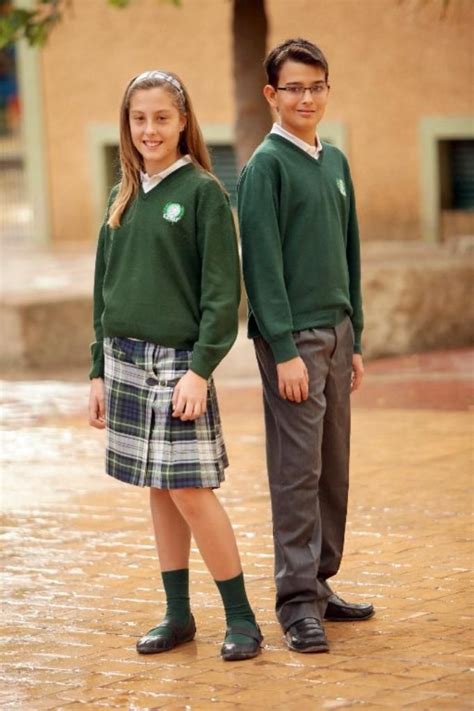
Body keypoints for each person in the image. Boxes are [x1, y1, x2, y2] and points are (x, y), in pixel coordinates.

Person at [88, 70, 262, 662]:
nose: (150, 129)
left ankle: (242, 619)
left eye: (162, 117)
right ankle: (177, 614)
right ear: (127, 124)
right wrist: (97, 372)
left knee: (190, 489)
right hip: (124, 361)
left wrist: (201, 370)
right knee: (158, 491)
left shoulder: (204, 193)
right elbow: (101, 292)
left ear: (183, 121)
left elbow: (223, 296)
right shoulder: (123, 194)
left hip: (180, 365)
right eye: (140, 118)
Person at [238, 39, 374, 654]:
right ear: (272, 94)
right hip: (291, 341)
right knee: (297, 473)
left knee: (333, 470)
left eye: (316, 85)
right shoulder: (265, 166)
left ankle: (319, 583)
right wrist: (284, 348)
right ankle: (296, 605)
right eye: (293, 87)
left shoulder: (336, 162)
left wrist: (356, 339)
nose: (306, 97)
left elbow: (350, 254)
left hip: (336, 334)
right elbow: (261, 267)